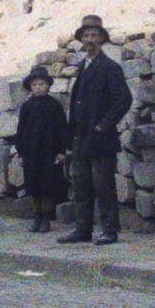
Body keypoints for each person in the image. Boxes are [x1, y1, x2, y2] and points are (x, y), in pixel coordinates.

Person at [60, 15, 132, 246]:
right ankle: (83, 230)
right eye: (86, 36)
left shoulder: (110, 67)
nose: (90, 40)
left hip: (100, 138)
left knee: (103, 186)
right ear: (81, 39)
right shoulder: (83, 66)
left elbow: (124, 99)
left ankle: (110, 231)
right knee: (81, 184)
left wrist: (104, 124)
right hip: (81, 138)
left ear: (101, 39)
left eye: (94, 35)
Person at [13, 65, 69, 233]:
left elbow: (62, 129)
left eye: (41, 84)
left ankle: (46, 217)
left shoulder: (54, 106)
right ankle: (37, 216)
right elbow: (21, 130)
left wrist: (61, 151)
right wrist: (21, 152)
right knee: (34, 186)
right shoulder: (27, 106)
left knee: (48, 186)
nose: (38, 87)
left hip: (49, 152)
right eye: (34, 85)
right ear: (30, 87)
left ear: (48, 86)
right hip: (32, 153)